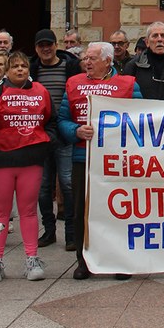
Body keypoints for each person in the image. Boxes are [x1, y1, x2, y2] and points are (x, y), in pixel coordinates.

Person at [58, 42, 142, 280]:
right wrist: (75, 130)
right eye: (86, 58)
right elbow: (62, 119)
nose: (87, 62)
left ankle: (120, 261)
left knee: (117, 211)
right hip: (83, 157)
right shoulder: (73, 84)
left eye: (92, 58)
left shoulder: (129, 84)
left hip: (116, 159)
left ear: (107, 60)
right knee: (82, 211)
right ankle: (84, 261)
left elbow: (141, 117)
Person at [0, 51, 56, 283]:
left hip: (31, 162)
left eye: (24, 66)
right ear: (7, 70)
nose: (20, 70)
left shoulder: (41, 92)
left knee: (29, 211)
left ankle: (32, 258)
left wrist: (46, 142)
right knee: (0, 213)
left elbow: (51, 122)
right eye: (15, 66)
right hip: (1, 162)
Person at [30, 29, 80, 250]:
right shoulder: (32, 68)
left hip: (64, 132)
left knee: (67, 183)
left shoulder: (70, 66)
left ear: (55, 45)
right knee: (43, 186)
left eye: (49, 44)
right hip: (40, 134)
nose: (46, 49)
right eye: (41, 45)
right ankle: (48, 231)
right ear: (36, 48)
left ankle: (71, 234)